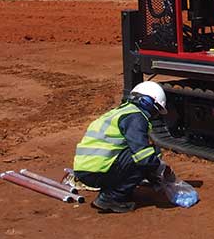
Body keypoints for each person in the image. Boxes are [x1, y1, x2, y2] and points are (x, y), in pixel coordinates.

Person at [72, 81, 174, 213]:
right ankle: (111, 198)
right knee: (147, 155)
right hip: (97, 171)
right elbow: (143, 156)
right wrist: (159, 171)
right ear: (148, 103)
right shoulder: (135, 117)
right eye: (156, 109)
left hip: (87, 169)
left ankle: (114, 190)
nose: (155, 114)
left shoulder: (120, 112)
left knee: (141, 156)